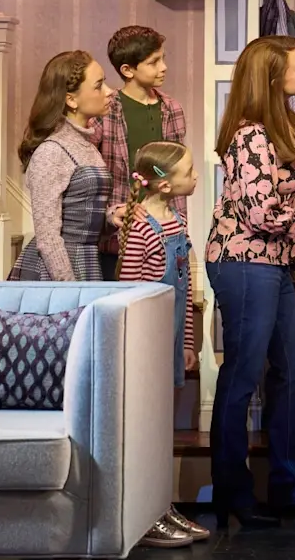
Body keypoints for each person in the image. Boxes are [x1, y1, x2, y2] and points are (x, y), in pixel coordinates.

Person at [206, 35, 295, 529]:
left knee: (292, 370)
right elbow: (259, 212)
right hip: (243, 261)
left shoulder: (282, 124)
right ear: (273, 76)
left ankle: (289, 489)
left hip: (275, 262)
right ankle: (233, 494)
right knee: (243, 374)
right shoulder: (249, 136)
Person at [116, 141, 209, 548]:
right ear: (166, 185)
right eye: (189, 171)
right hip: (145, 346)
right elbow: (128, 297)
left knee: (163, 430)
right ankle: (145, 514)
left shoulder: (177, 222)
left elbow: (183, 292)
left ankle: (161, 506)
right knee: (145, 430)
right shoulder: (142, 229)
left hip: (169, 341)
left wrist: (186, 340)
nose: (196, 176)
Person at [9, 51, 115, 281]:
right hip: (56, 272)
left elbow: (83, 220)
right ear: (71, 100)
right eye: (98, 86)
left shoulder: (87, 146)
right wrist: (68, 287)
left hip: (87, 262)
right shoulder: (52, 151)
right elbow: (48, 238)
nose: (109, 91)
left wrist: (112, 219)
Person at [93, 25, 188, 281]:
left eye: (163, 59)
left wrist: (181, 228)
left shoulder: (171, 109)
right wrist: (111, 213)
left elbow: (175, 176)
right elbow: (94, 178)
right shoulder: (107, 111)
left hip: (165, 238)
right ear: (128, 70)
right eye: (153, 62)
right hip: (121, 238)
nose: (163, 67)